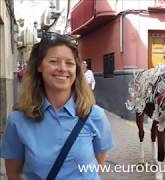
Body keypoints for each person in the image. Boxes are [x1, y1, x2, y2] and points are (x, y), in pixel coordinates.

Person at [0, 32, 113, 180]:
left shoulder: (95, 115)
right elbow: (13, 174)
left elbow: (98, 166)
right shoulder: (18, 120)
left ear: (76, 69)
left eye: (70, 63)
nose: (62, 68)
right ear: (39, 66)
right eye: (54, 61)